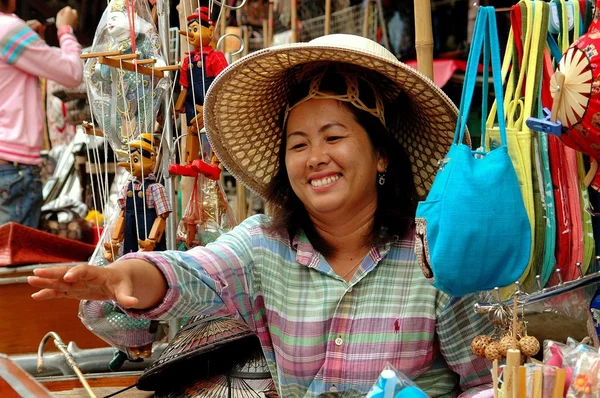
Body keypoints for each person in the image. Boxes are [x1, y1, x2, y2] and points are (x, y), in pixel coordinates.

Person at [29, 34, 494, 397]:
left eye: (333, 138)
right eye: (298, 144)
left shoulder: (435, 255)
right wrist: (124, 277)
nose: (315, 158)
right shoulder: (263, 246)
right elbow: (192, 274)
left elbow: (486, 379)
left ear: (381, 156)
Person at [0, 0, 82, 227]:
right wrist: (65, 30)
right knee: (13, 258)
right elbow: (72, 73)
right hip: (11, 169)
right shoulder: (8, 30)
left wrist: (32, 41)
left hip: (7, 167)